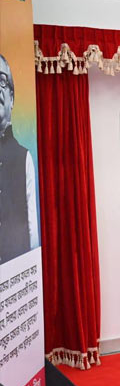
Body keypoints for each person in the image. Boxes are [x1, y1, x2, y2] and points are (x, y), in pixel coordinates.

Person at [0, 53, 38, 263]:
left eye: (2, 81)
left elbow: (32, 225)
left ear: (12, 98)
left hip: (17, 271)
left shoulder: (24, 158)